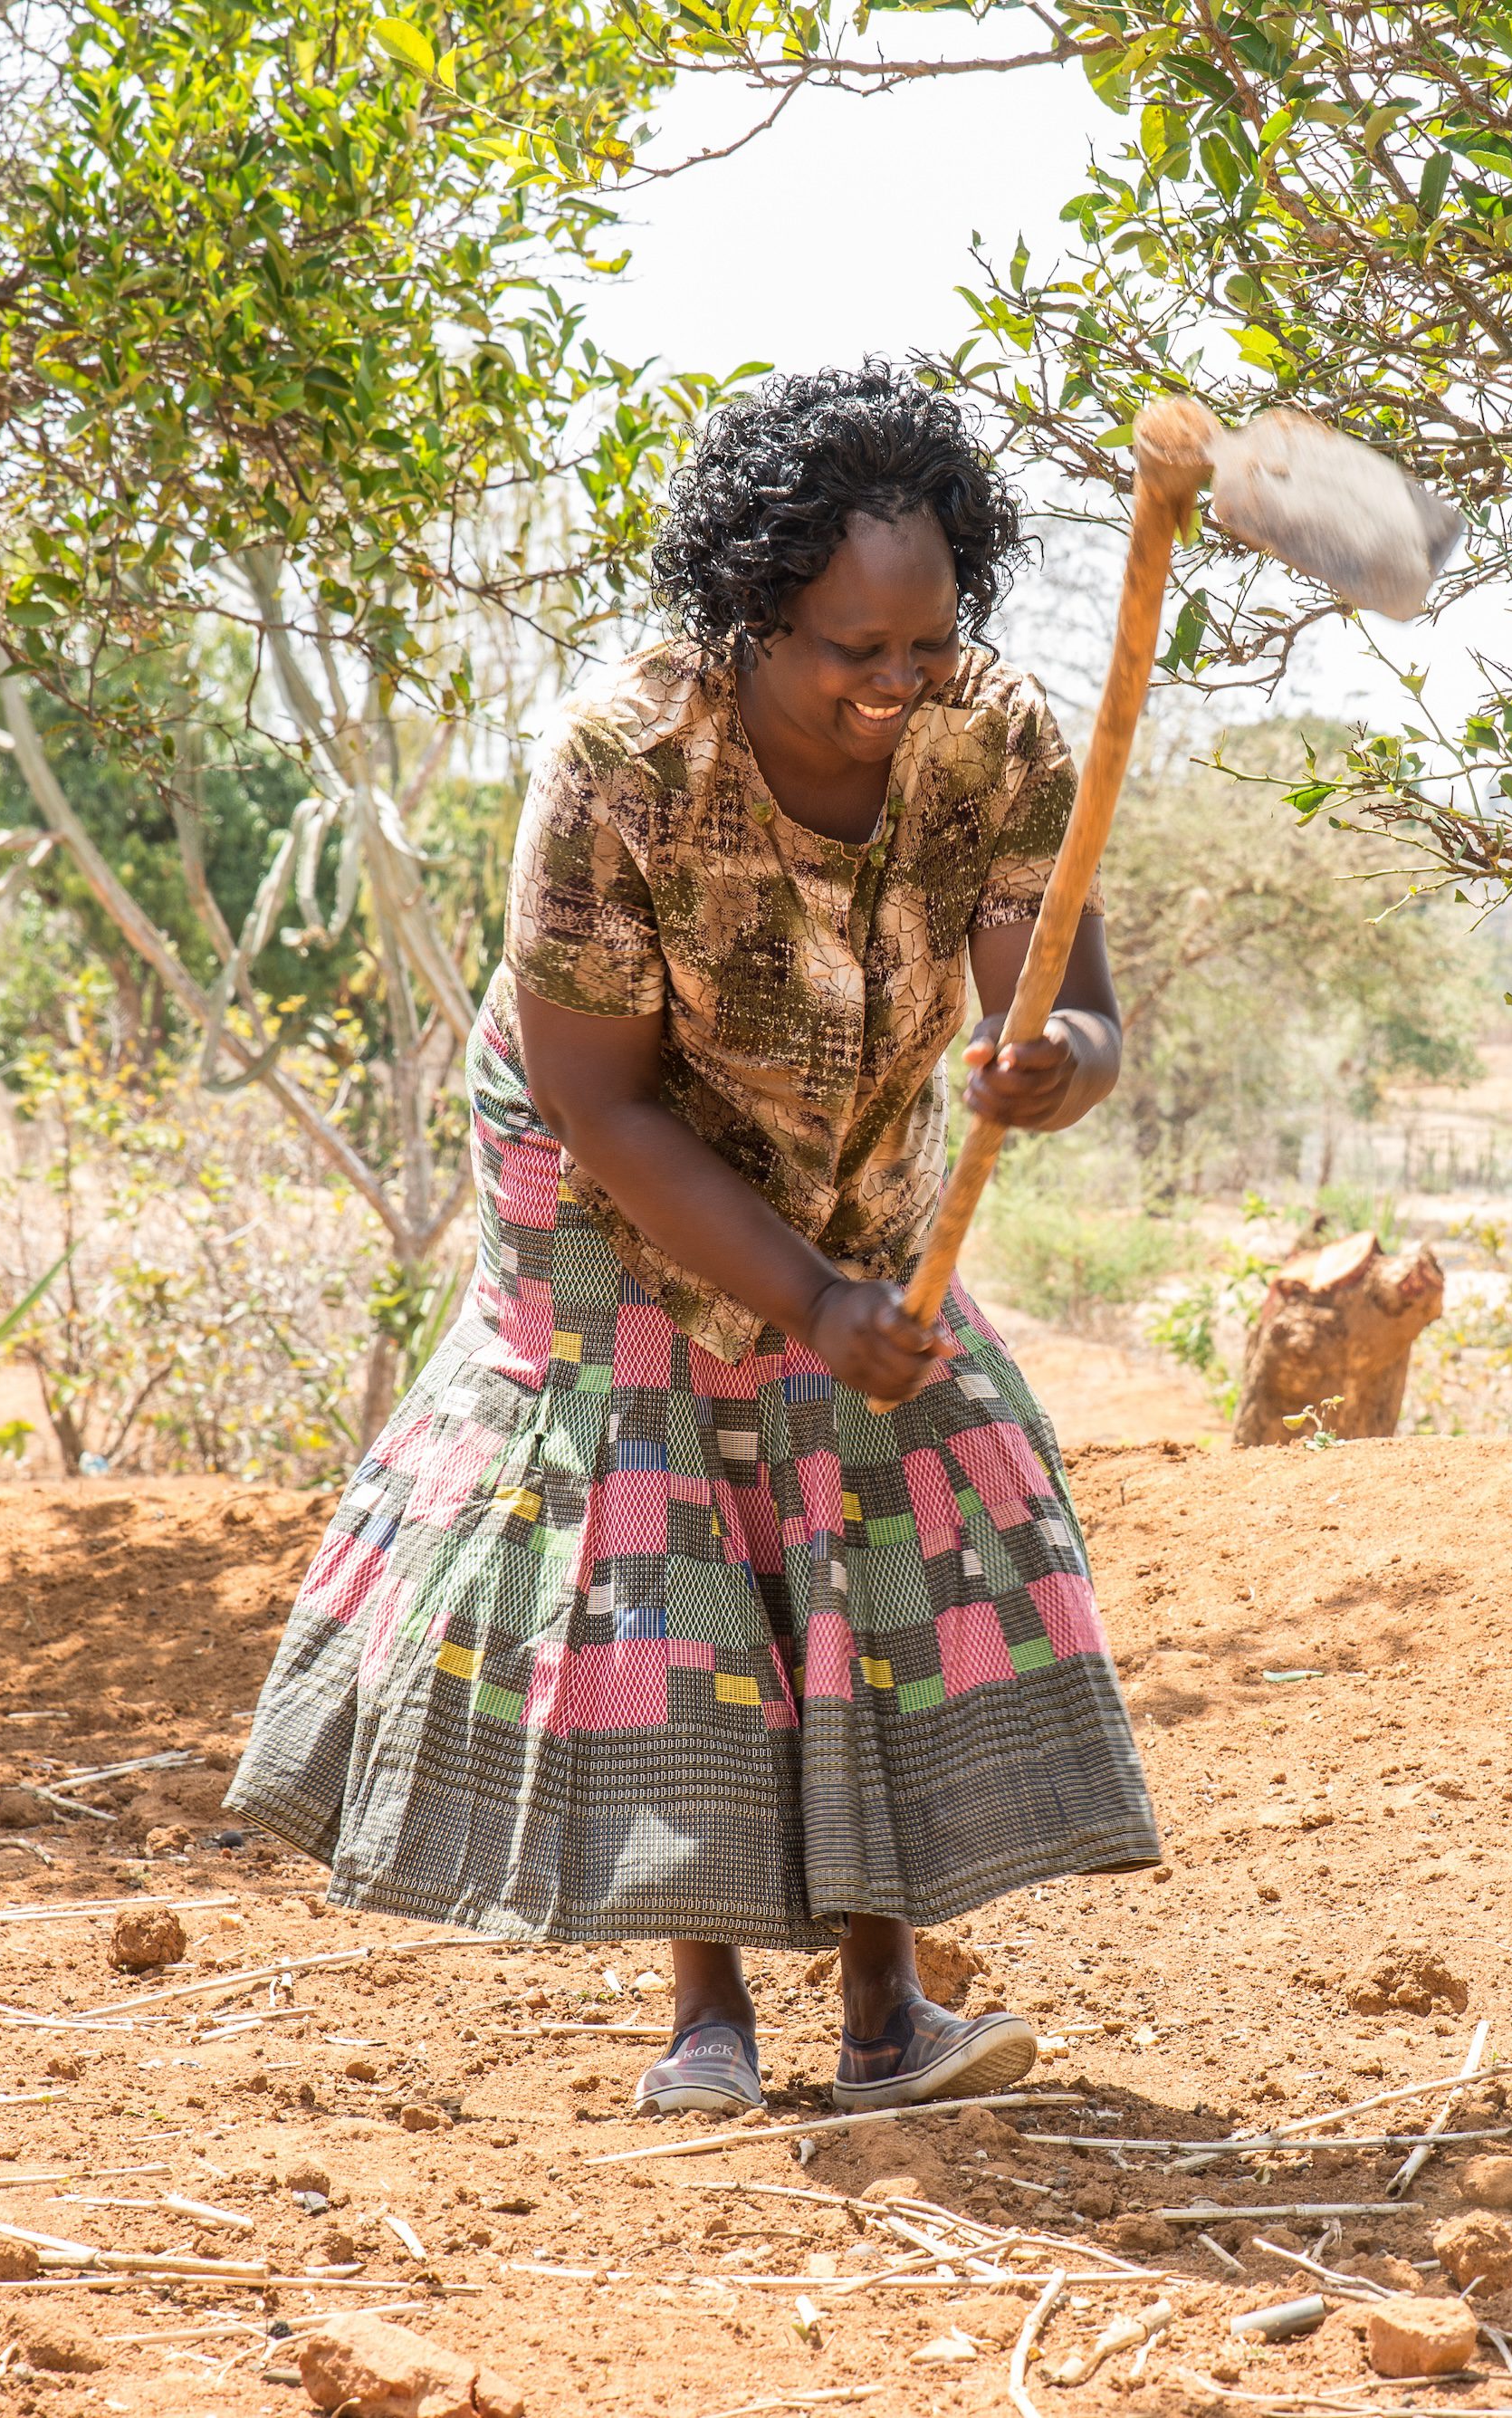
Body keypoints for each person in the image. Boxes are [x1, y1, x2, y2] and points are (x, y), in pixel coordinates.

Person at [225, 362, 1160, 2119]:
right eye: (844, 648)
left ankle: (886, 2013)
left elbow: (1072, 1012)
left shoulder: (1004, 740)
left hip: (854, 1127)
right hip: (601, 1160)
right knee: (673, 1498)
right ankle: (704, 2011)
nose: (891, 685)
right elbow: (603, 1100)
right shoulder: (619, 764)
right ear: (746, 617)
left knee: (860, 1474)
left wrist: (1049, 1069)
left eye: (923, 643)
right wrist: (801, 1299)